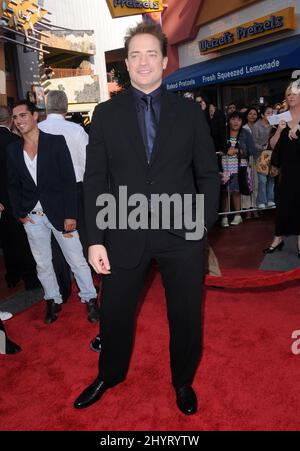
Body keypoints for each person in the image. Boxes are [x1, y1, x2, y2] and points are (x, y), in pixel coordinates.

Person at [74, 22, 220, 415]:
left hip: (181, 233)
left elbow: (208, 174)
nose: (142, 61)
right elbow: (95, 179)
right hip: (122, 230)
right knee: (115, 311)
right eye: (135, 54)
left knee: (186, 313)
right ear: (126, 61)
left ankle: (183, 381)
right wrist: (95, 239)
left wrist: (200, 225)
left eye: (150, 53)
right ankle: (109, 374)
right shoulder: (104, 114)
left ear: (164, 59)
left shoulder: (189, 112)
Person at [7, 100, 98, 324]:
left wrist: (70, 214)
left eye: (23, 115)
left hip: (60, 213)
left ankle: (90, 299)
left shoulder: (55, 142)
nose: (19, 121)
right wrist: (19, 212)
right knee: (43, 263)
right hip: (32, 217)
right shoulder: (12, 150)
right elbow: (13, 184)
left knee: (76, 258)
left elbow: (68, 181)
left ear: (35, 116)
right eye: (15, 117)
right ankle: (52, 299)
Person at [38, 90, 90, 259]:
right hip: (76, 189)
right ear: (66, 108)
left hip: (46, 191)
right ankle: (87, 277)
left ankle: (63, 283)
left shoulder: (37, 130)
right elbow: (87, 161)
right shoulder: (76, 130)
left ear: (47, 108)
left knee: (55, 240)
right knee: (82, 234)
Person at [0, 105, 40, 290]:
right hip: (18, 198)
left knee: (7, 242)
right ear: (10, 120)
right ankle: (31, 279)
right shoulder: (16, 142)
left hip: (2, 202)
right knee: (24, 241)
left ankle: (12, 276)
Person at [264, 83, 300, 256]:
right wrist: (279, 130)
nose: (291, 96)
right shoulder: (281, 116)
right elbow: (271, 145)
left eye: (294, 93)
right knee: (283, 202)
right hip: (285, 169)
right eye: (288, 94)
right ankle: (278, 238)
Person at [221, 111, 256, 227]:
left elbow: (252, 151)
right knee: (225, 192)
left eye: (239, 119)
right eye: (233, 119)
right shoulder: (223, 133)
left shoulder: (245, 133)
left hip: (239, 167)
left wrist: (237, 151)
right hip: (224, 167)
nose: (236, 122)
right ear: (229, 120)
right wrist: (223, 151)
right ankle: (224, 216)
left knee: (236, 191)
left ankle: (237, 215)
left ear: (242, 122)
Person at [252, 105, 274, 209]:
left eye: (272, 113)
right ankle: (261, 201)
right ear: (262, 115)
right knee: (262, 180)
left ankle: (270, 199)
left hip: (272, 155)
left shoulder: (274, 125)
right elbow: (253, 142)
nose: (271, 115)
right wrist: (263, 147)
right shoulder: (257, 126)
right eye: (268, 113)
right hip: (260, 156)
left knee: (271, 178)